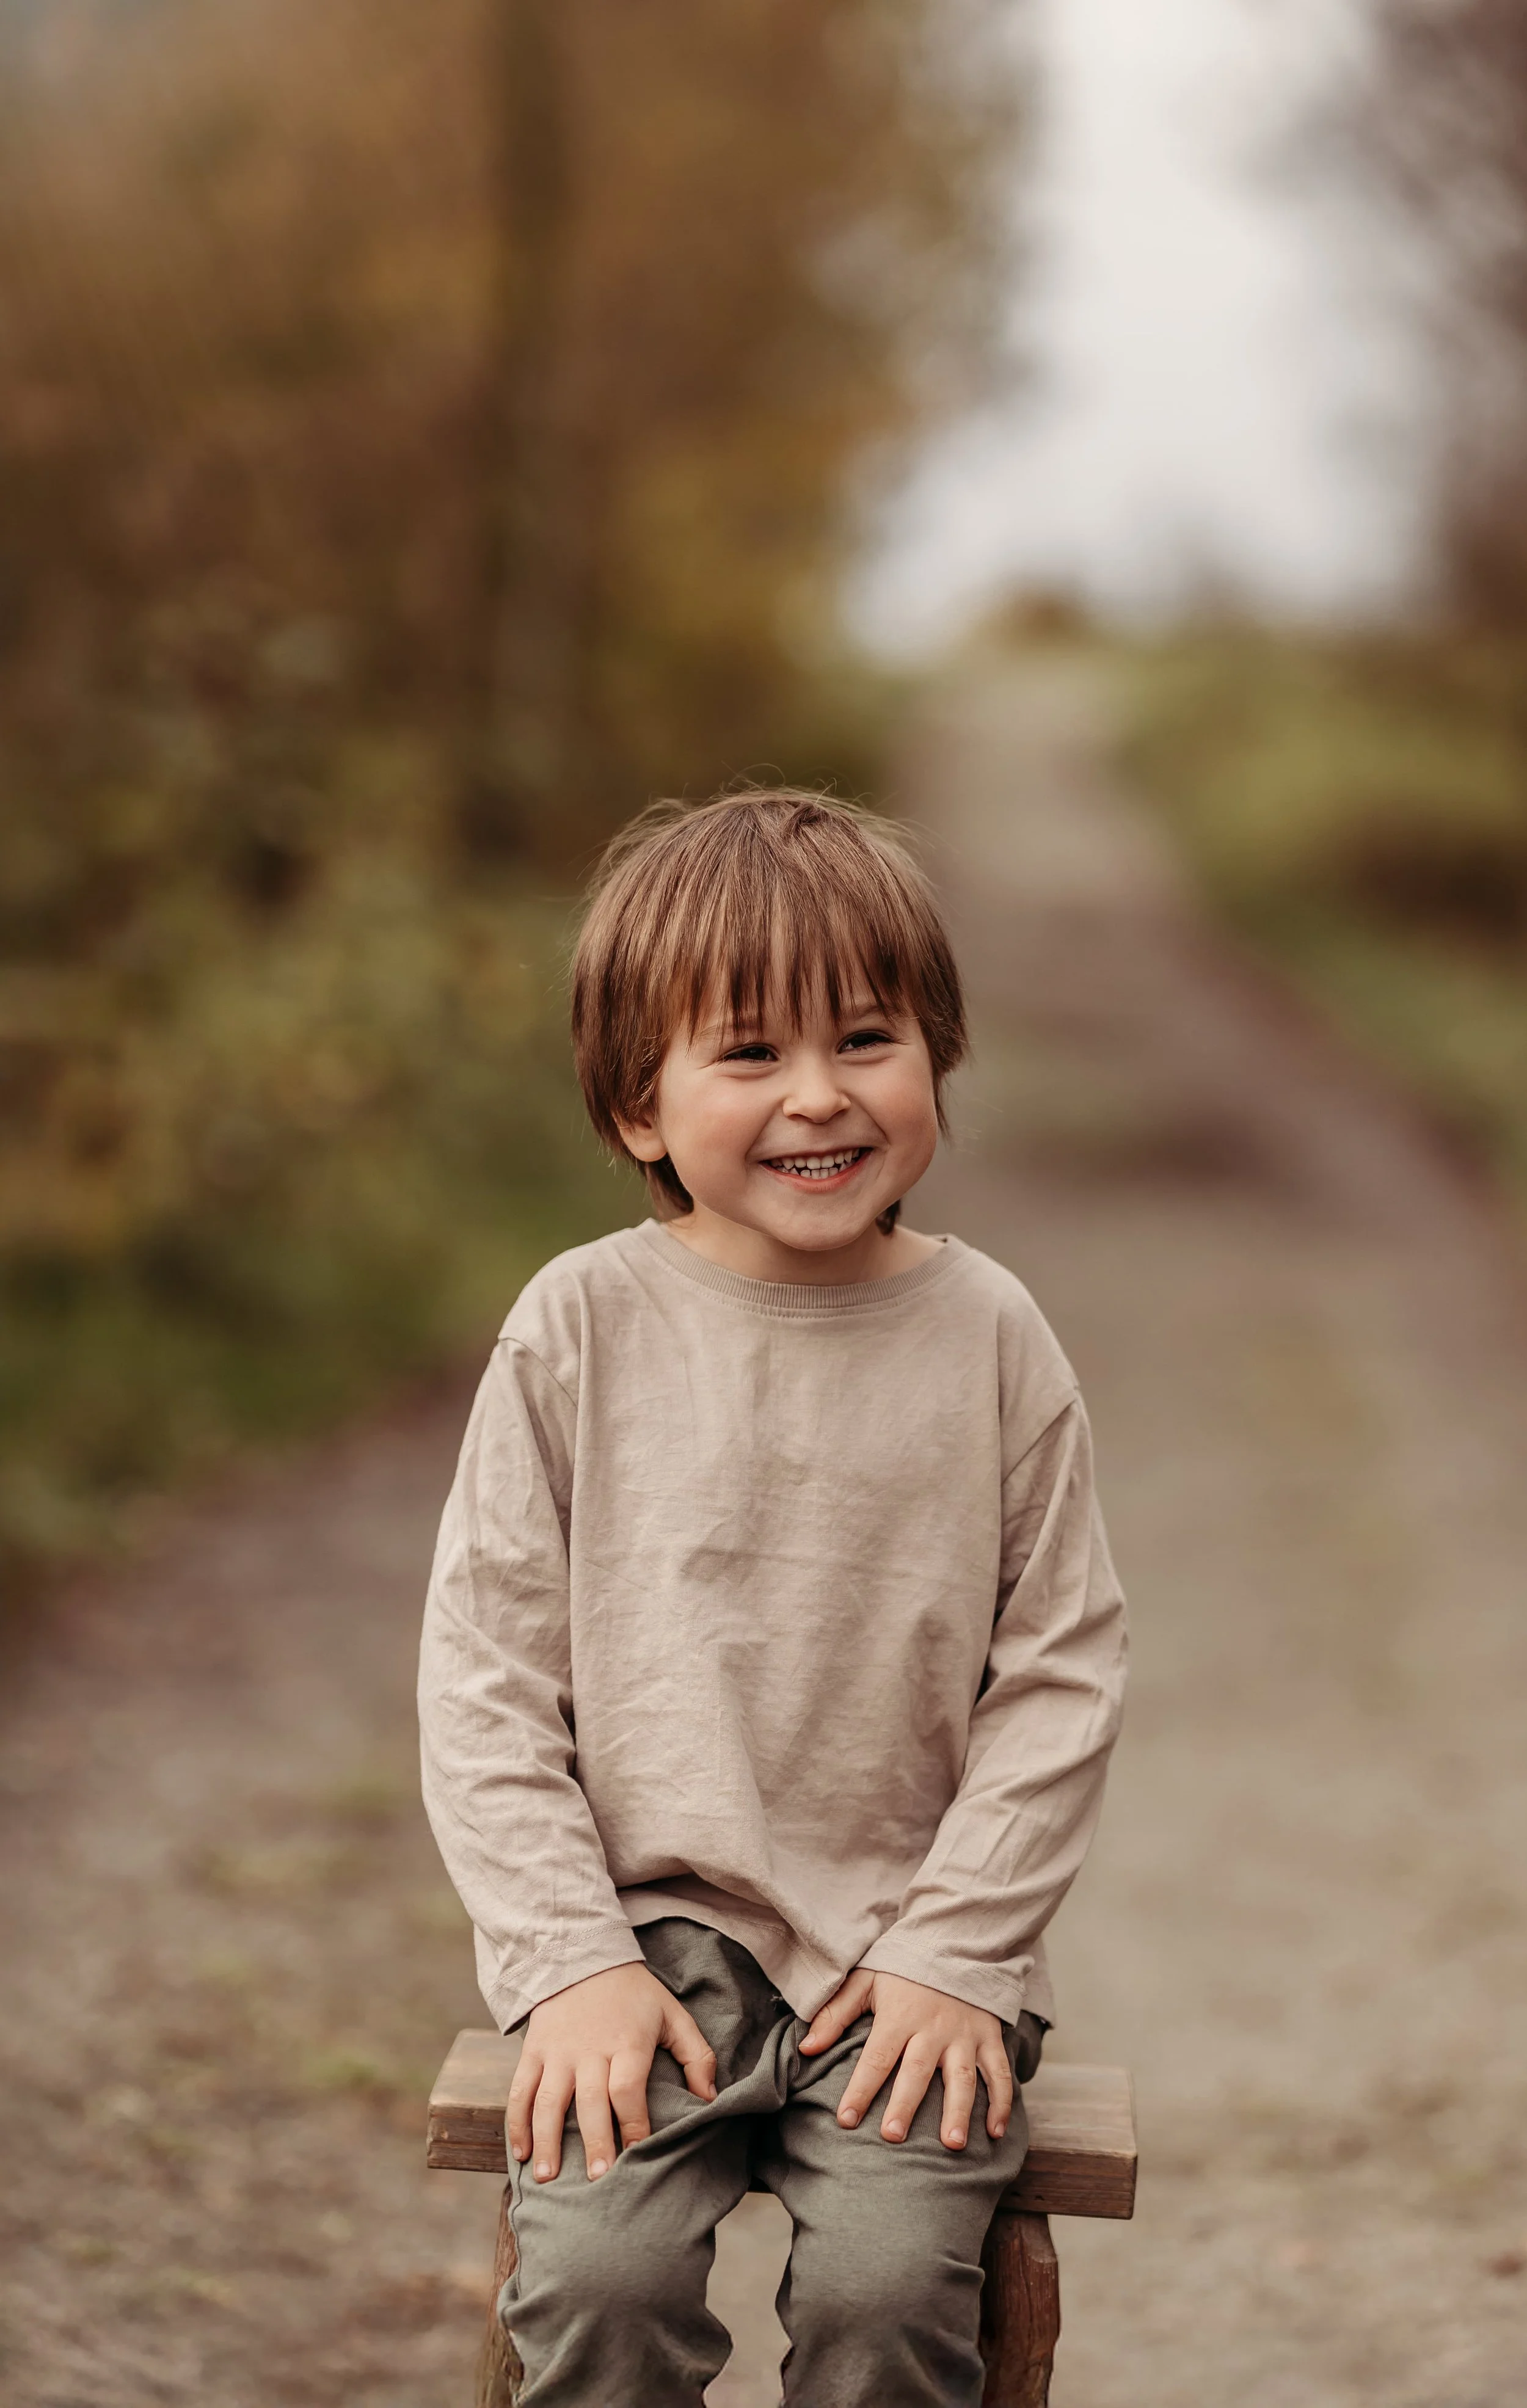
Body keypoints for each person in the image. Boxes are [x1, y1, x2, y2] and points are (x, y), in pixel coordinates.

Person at [418, 787, 1128, 2407]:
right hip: (642, 1953)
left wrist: (962, 1949)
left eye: (865, 1039)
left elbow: (1063, 1664)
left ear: (932, 1059)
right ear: (635, 1107)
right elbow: (485, 1679)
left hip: (904, 1955)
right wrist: (563, 1962)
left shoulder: (990, 1334)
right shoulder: (578, 1327)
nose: (819, 1095)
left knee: (889, 2300)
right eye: (748, 1054)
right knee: (600, 2284)